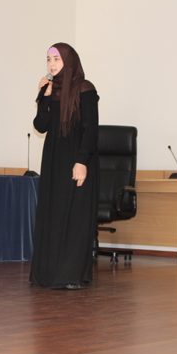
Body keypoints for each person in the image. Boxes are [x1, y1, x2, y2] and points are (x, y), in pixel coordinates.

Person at [29, 43, 99, 290]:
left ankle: (70, 274)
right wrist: (45, 98)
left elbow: (91, 129)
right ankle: (48, 274)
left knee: (75, 217)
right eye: (49, 59)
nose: (51, 64)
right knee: (54, 213)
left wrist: (81, 161)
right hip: (54, 158)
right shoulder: (52, 90)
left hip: (78, 158)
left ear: (69, 61)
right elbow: (41, 125)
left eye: (56, 59)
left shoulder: (85, 88)